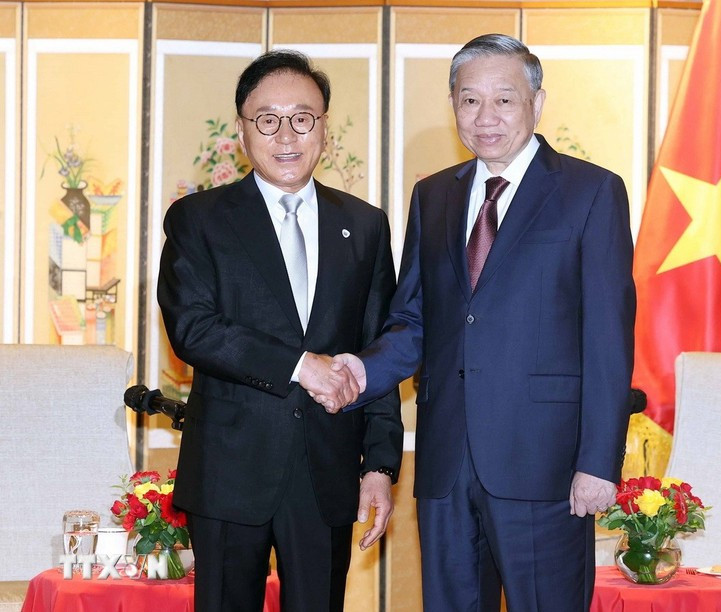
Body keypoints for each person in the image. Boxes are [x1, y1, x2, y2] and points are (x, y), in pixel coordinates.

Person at [327, 34, 636, 610]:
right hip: (446, 463)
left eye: (504, 99)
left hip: (546, 465)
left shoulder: (592, 192)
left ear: (537, 103)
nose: (485, 117)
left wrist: (598, 463)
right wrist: (359, 372)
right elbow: (413, 321)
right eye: (470, 100)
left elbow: (608, 338)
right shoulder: (433, 196)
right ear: (453, 106)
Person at [157, 49, 403, 612]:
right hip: (229, 470)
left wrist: (381, 464)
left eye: (303, 118)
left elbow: (380, 351)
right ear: (243, 132)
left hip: (327, 470)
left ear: (324, 129)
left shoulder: (363, 226)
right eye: (267, 119)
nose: (286, 135)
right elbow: (192, 329)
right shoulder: (199, 219)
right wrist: (300, 364)